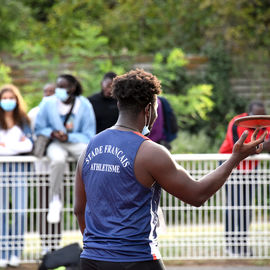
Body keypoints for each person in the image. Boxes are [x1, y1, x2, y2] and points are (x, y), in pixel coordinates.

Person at [74, 69, 266, 270]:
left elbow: (79, 209)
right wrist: (235, 158)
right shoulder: (150, 152)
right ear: (149, 109)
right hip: (137, 259)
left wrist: (99, 249)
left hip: (91, 259)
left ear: (119, 104)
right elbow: (197, 195)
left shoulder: (90, 147)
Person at [35, 74, 96, 225]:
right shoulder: (48, 103)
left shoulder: (84, 105)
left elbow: (89, 134)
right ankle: (55, 199)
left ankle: (93, 197)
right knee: (58, 161)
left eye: (62, 87)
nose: (59, 90)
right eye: (58, 87)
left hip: (76, 142)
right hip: (55, 143)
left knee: (90, 157)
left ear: (72, 88)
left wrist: (68, 137)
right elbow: (39, 128)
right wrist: (52, 133)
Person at [219, 100, 270, 256]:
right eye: (256, 115)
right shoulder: (237, 122)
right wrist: (260, 145)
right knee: (234, 205)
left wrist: (256, 147)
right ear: (249, 114)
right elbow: (238, 147)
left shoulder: (266, 124)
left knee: (246, 207)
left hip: (251, 167)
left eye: (262, 115)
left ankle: (242, 244)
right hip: (230, 164)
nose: (259, 119)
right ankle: (231, 245)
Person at [0, 84, 33, 268]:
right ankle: (3, 252)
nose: (7, 102)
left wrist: (6, 146)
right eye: (4, 98)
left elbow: (29, 145)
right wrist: (16, 144)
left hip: (20, 167)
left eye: (11, 98)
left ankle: (15, 251)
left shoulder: (23, 120)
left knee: (20, 212)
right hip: (1, 169)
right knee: (2, 212)